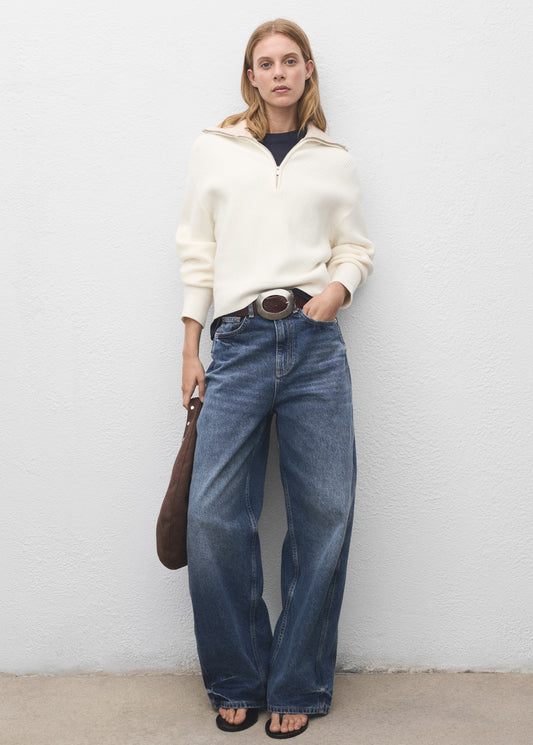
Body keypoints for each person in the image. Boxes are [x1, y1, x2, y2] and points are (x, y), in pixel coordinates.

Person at [176, 18, 374, 739]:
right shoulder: (215, 148)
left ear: (307, 70)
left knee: (324, 514)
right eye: (266, 63)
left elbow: (354, 245)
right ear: (251, 76)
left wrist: (338, 290)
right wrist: (190, 347)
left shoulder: (333, 159)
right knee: (210, 517)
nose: (280, 72)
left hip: (314, 343)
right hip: (236, 342)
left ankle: (297, 681)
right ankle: (236, 677)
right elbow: (197, 249)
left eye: (291, 60)